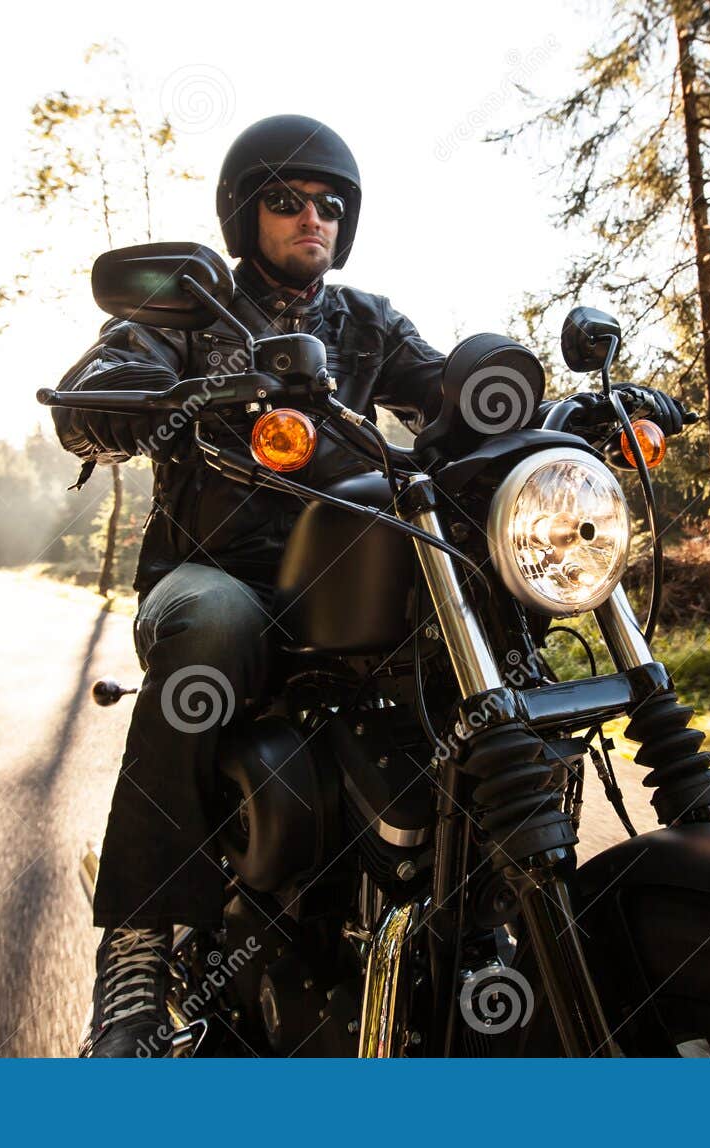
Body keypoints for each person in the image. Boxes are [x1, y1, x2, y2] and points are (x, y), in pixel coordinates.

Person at [51, 114, 450, 1057]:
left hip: (352, 575)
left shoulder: (366, 322)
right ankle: (142, 950)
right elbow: (97, 389)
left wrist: (541, 403)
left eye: (329, 203)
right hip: (217, 572)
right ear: (245, 212)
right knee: (216, 628)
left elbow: (446, 391)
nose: (312, 216)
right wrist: (127, 397)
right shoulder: (188, 310)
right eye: (287, 199)